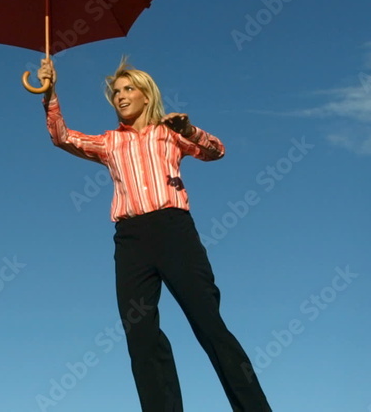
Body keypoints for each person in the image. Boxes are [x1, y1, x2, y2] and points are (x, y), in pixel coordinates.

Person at [37, 56, 272, 412]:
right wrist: (50, 93)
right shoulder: (108, 142)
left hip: (174, 231)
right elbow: (62, 137)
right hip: (130, 239)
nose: (120, 96)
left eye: (129, 89)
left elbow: (216, 152)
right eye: (116, 92)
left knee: (209, 324)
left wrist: (190, 131)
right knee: (141, 336)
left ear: (147, 96)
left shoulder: (169, 133)